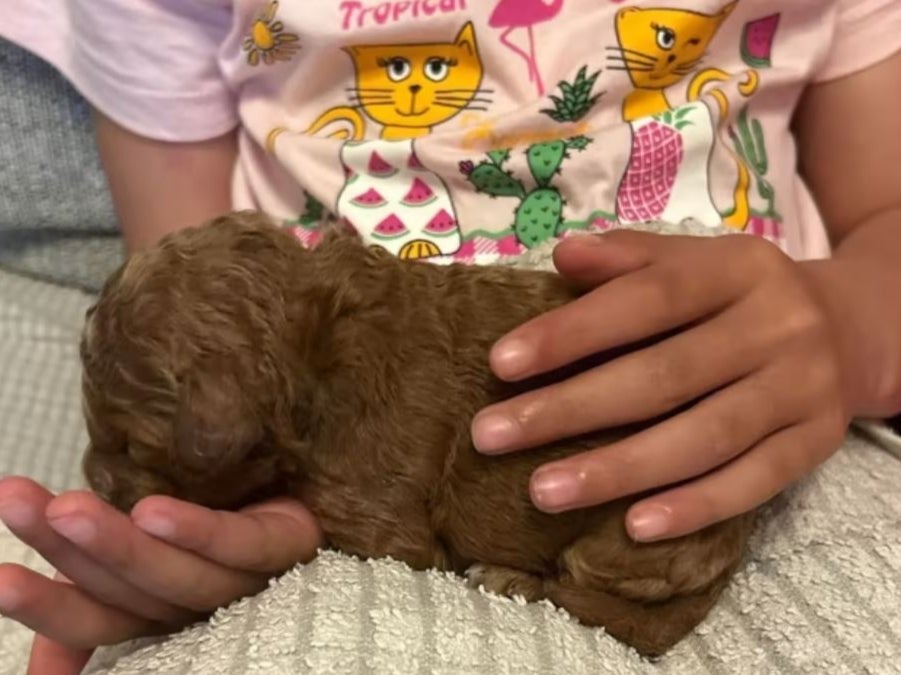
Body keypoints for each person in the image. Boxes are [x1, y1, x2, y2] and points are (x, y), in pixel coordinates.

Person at [1, 0, 900, 672]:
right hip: (308, 507)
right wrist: (198, 513)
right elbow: (177, 283)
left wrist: (845, 329)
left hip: (766, 420)